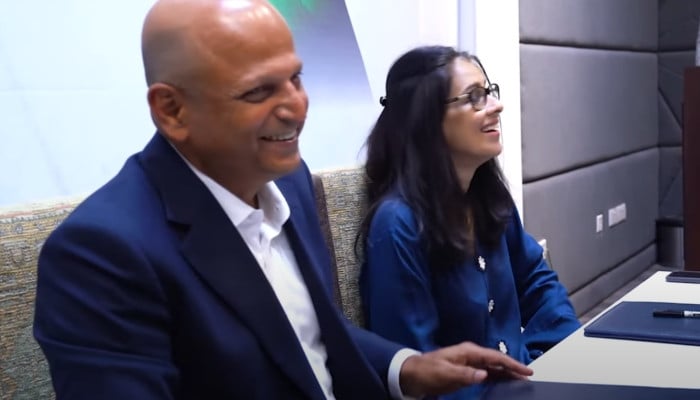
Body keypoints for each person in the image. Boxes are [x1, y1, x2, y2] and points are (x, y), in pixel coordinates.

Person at [32, 2, 532, 399]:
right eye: (259, 92)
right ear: (172, 109)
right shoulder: (100, 254)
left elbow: (305, 335)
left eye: (296, 78)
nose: (296, 107)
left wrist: (407, 368)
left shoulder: (289, 182)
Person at [359, 45, 580, 398]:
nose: (496, 106)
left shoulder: (489, 197)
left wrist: (549, 363)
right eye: (475, 97)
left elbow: (539, 287)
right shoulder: (397, 225)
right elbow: (417, 368)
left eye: (490, 91)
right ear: (426, 119)